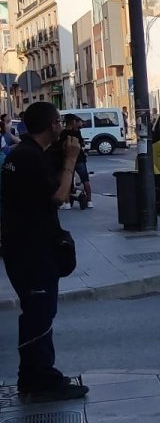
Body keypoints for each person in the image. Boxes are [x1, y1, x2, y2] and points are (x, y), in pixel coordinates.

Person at [3, 102, 89, 401]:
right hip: (32, 249)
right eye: (57, 122)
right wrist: (70, 160)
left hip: (22, 247)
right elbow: (59, 196)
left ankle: (32, 377)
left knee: (35, 313)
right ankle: (41, 380)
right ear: (51, 125)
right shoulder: (29, 157)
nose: (60, 127)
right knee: (40, 314)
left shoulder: (22, 154)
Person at [61, 114, 91, 209]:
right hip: (80, 158)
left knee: (67, 179)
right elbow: (82, 143)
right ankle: (90, 201)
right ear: (73, 122)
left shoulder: (63, 133)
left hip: (68, 158)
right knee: (85, 180)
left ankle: (67, 203)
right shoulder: (77, 132)